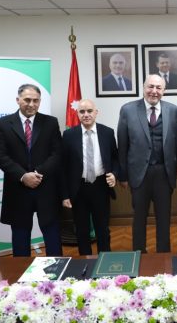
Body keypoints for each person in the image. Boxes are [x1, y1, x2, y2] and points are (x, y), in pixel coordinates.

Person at [0, 84, 63, 256]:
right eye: (27, 100)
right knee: (20, 236)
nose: (31, 104)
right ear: (18, 100)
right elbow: (0, 156)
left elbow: (57, 153)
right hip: (18, 189)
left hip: (45, 187)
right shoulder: (3, 124)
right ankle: (21, 270)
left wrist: (38, 174)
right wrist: (23, 176)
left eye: (36, 100)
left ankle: (57, 269)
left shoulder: (50, 122)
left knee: (52, 235)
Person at [117, 74, 177, 252]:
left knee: (164, 219)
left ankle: (163, 256)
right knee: (139, 218)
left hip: (164, 173)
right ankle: (139, 254)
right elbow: (122, 144)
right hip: (139, 174)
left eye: (158, 88)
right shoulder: (127, 110)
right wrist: (123, 175)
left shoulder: (173, 110)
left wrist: (175, 171)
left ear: (164, 91)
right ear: (144, 87)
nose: (154, 91)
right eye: (150, 86)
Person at [62, 99, 119, 255]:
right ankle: (85, 260)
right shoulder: (68, 135)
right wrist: (65, 194)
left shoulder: (107, 132)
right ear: (77, 113)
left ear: (96, 112)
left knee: (102, 228)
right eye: (82, 111)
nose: (86, 114)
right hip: (78, 188)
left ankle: (105, 260)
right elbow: (63, 166)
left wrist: (114, 174)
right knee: (81, 229)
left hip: (101, 186)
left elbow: (115, 158)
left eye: (89, 111)